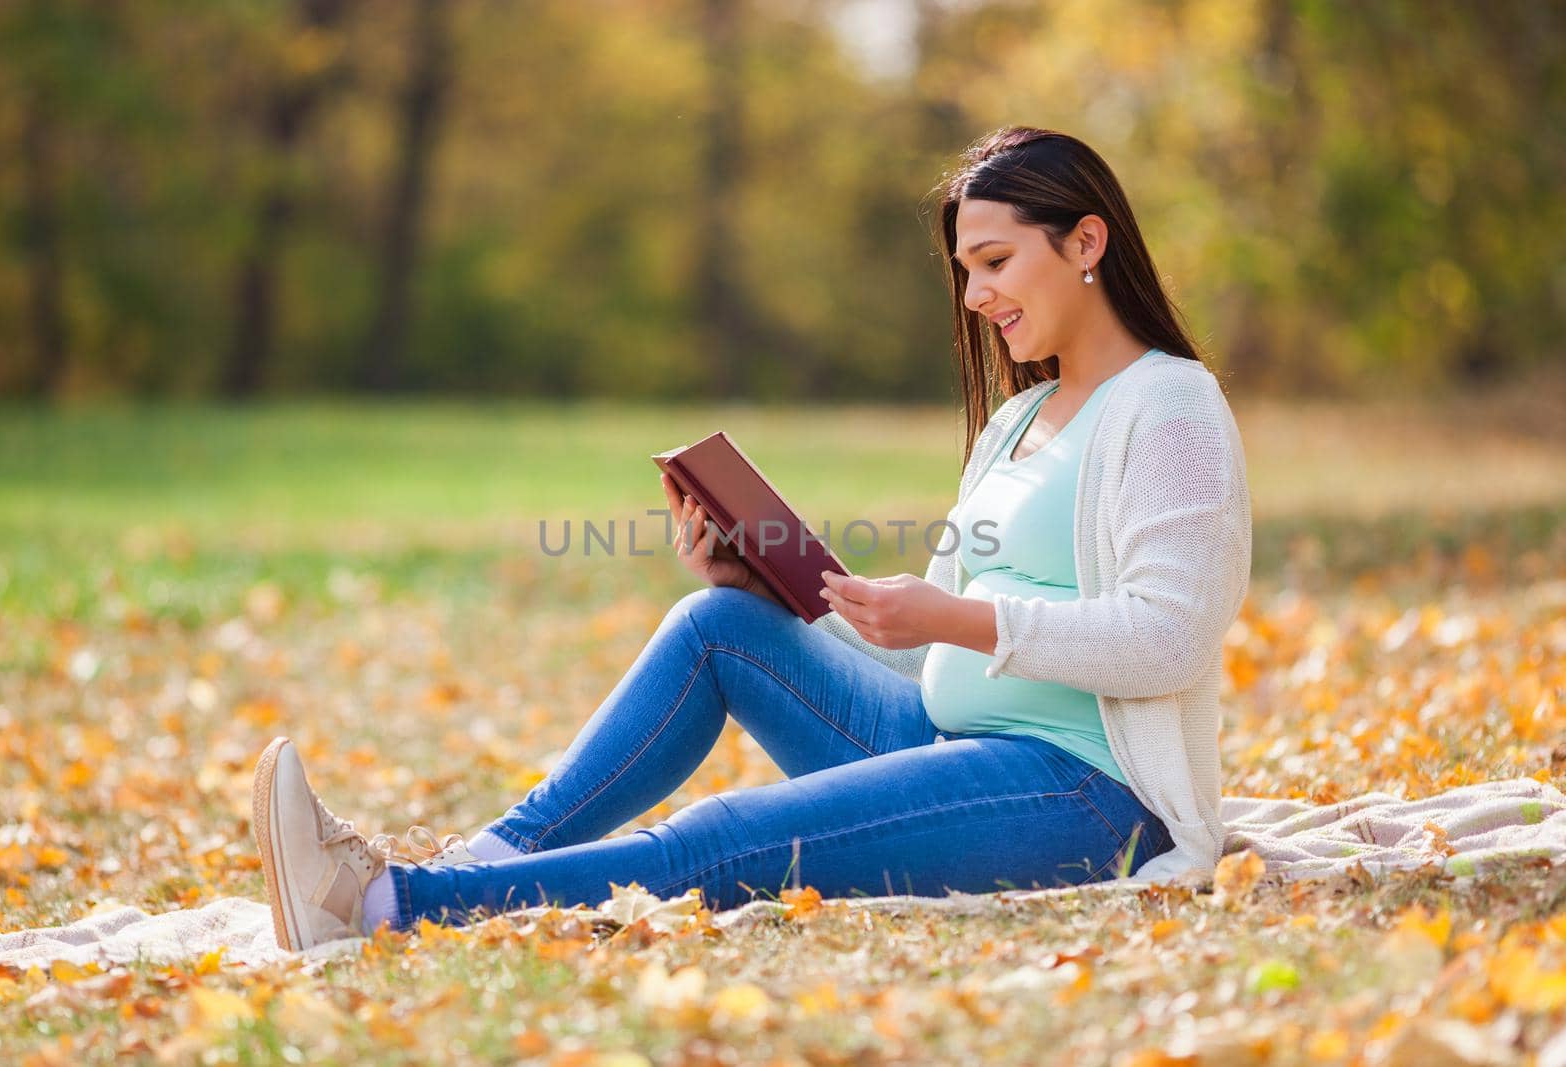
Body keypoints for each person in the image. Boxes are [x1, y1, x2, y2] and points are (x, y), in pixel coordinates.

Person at [252, 125, 1252, 951]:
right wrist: (778, 584)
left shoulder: (1168, 405)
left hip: (1081, 791)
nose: (973, 295)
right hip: (944, 739)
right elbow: (929, 637)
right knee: (717, 621)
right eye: (963, 270)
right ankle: (485, 860)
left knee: (726, 837)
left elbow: (1169, 636)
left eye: (995, 262)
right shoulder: (1017, 422)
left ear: (1084, 243)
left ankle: (388, 907)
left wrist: (956, 613)